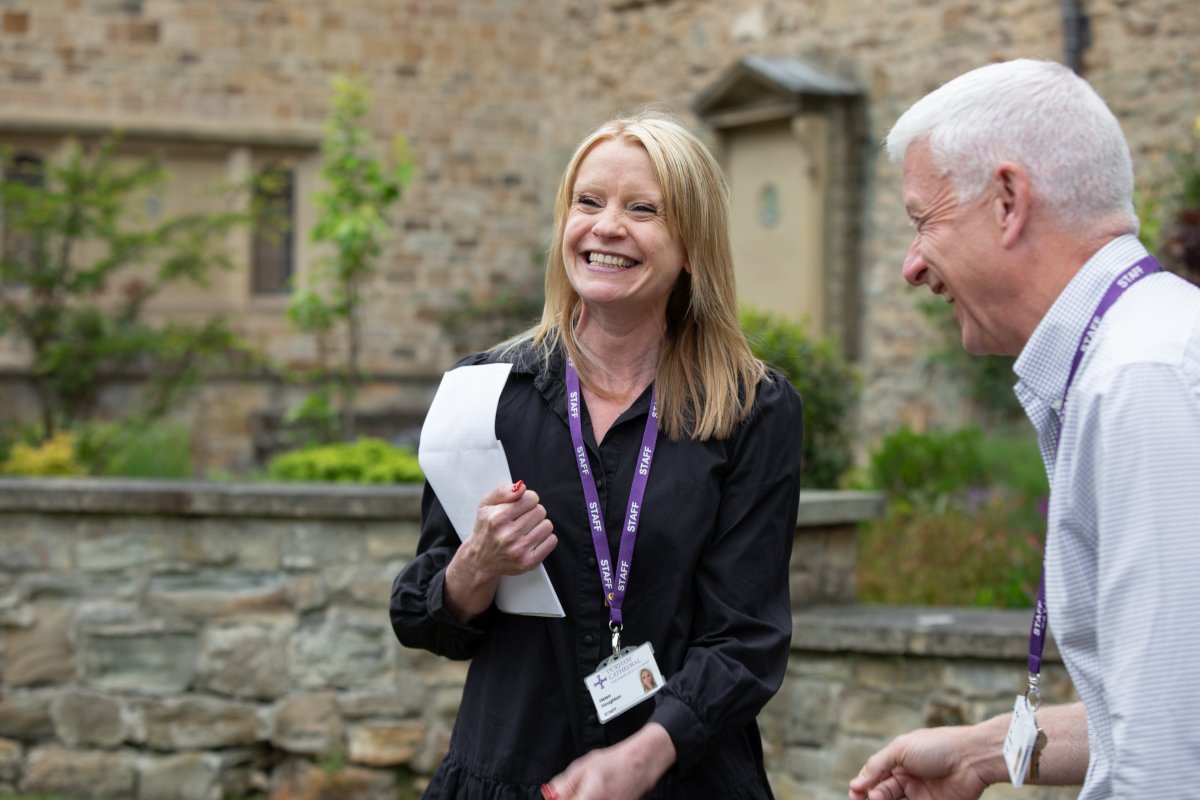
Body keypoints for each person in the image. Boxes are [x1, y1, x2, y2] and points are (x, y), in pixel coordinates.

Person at [391, 112, 804, 800]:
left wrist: (643, 757)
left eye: (642, 209)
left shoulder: (750, 409)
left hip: (684, 783)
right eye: (588, 202)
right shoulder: (485, 391)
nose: (606, 226)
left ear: (692, 247)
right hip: (510, 772)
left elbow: (746, 640)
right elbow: (423, 615)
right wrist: (476, 566)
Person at [848, 58, 1200, 800]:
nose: (912, 267)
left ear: (1007, 200)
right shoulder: (1135, 357)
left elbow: (1168, 758)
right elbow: (1155, 707)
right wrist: (982, 755)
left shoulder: (1139, 381)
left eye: (923, 221)